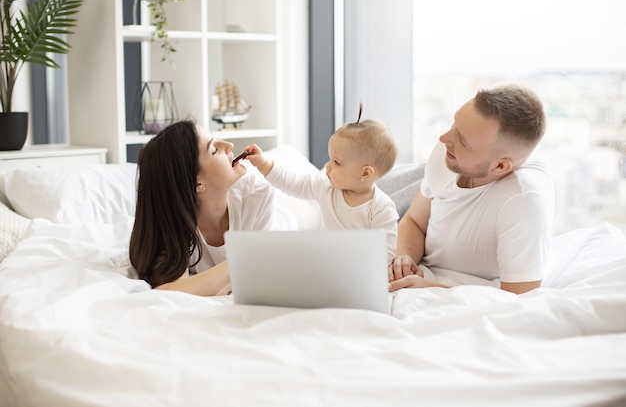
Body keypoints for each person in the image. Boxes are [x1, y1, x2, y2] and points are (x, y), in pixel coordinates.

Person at [389, 84, 554, 294]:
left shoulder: (524, 200)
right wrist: (404, 259)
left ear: (500, 166)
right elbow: (414, 221)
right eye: (454, 124)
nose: (444, 139)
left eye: (463, 143)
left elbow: (519, 297)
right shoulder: (447, 152)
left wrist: (432, 289)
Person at [129, 120, 276, 296]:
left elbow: (258, 275)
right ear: (196, 184)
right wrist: (241, 260)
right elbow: (168, 291)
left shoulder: (257, 195)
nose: (229, 146)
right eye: (214, 149)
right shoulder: (171, 224)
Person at [244, 106, 400, 262]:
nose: (328, 166)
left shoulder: (381, 208)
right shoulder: (325, 187)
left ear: (365, 173)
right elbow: (291, 182)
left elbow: (385, 253)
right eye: (330, 159)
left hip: (356, 269)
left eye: (337, 162)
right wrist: (263, 163)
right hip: (325, 263)